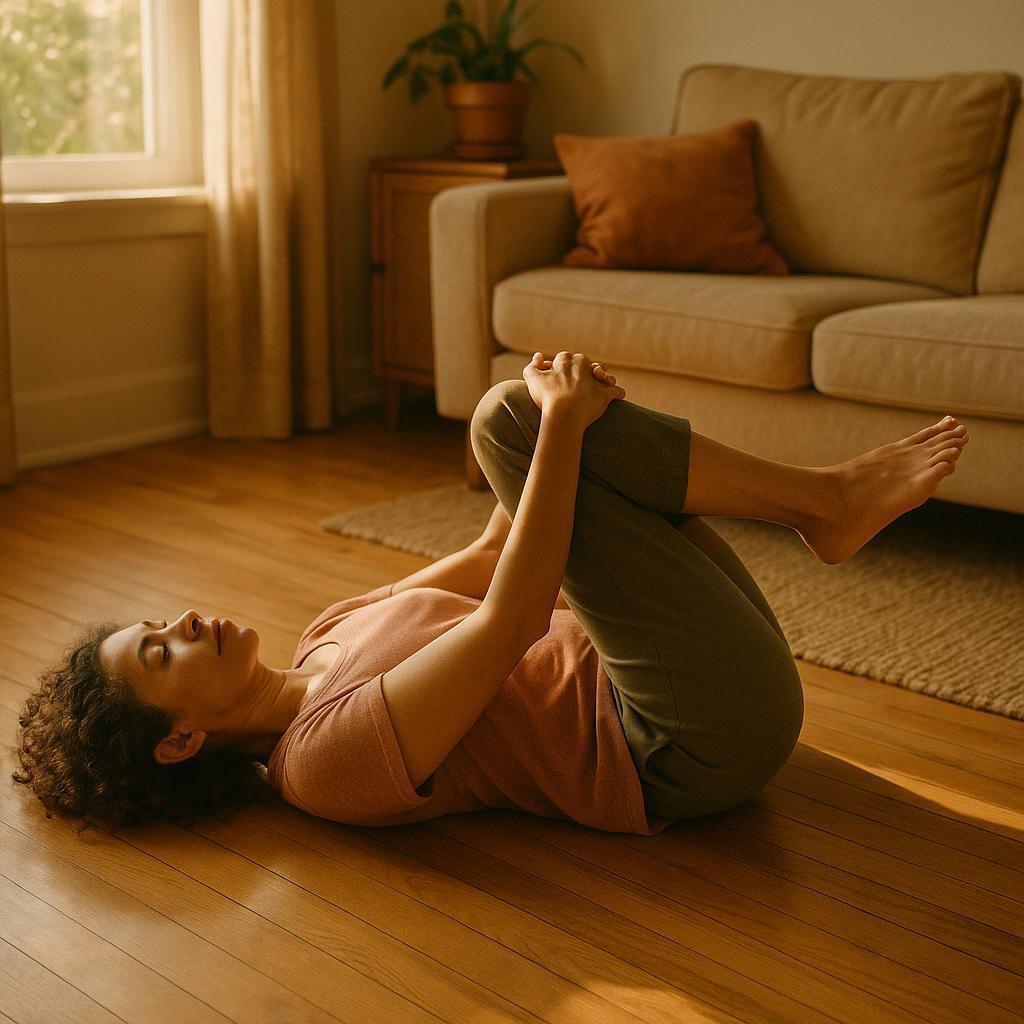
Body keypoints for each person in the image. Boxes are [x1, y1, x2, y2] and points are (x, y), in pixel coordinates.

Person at [11, 352, 970, 836]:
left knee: (519, 421)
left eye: (158, 625)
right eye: (159, 654)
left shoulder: (327, 633)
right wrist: (548, 426)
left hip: (674, 665)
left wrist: (577, 416)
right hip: (685, 742)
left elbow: (494, 544)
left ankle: (822, 506)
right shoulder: (321, 768)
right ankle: (824, 501)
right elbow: (514, 616)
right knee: (516, 421)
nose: (181, 624)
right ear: (180, 741)